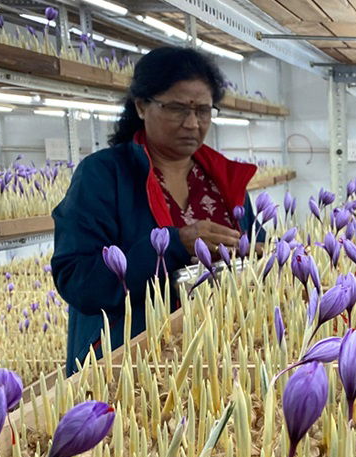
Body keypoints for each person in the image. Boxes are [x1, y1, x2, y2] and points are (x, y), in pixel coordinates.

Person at [52, 45, 258, 374]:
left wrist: (259, 257)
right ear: (142, 106)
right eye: (177, 108)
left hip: (220, 359)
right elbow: (77, 280)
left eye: (204, 110)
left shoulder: (224, 180)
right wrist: (172, 246)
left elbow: (253, 252)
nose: (193, 123)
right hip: (129, 365)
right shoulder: (104, 176)